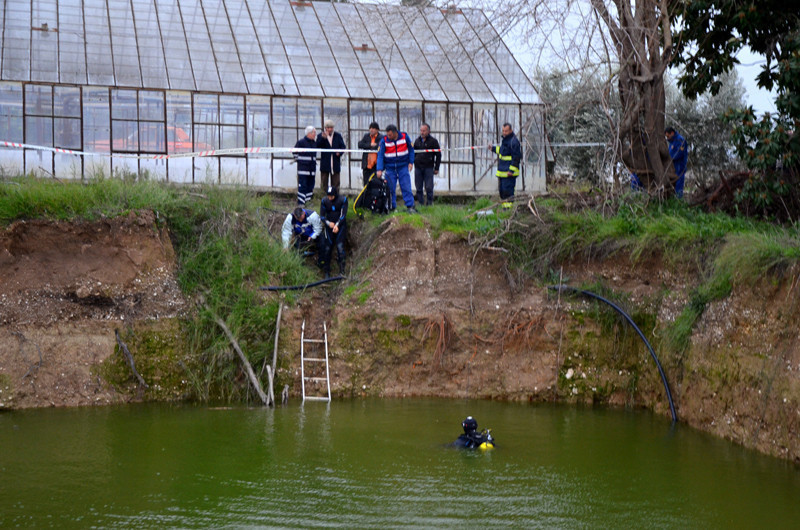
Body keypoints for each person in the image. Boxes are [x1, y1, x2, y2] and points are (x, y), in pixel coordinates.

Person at [377, 124, 417, 213]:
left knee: (406, 186)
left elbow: (411, 149)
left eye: (390, 135)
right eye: (387, 134)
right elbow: (380, 155)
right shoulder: (384, 141)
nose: (388, 136)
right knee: (390, 189)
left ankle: (410, 206)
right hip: (390, 168)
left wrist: (411, 162)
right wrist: (379, 169)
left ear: (395, 133)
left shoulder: (404, 136)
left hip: (403, 167)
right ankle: (391, 207)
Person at [489, 123, 522, 206]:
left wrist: (511, 170)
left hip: (509, 173)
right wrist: (492, 148)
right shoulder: (506, 140)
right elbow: (503, 151)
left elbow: (516, 157)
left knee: (508, 193)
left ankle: (508, 210)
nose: (504, 133)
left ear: (511, 130)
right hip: (502, 172)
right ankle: (505, 209)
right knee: (502, 192)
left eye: (506, 131)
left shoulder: (514, 142)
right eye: (503, 131)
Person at [319, 186, 348, 278]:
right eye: (328, 196)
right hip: (329, 227)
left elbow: (343, 215)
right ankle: (326, 271)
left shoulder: (342, 200)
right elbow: (322, 216)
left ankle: (342, 270)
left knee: (340, 247)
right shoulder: (324, 201)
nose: (329, 198)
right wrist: (328, 223)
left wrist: (337, 225)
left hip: (340, 226)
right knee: (327, 248)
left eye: (331, 196)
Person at [412, 123, 441, 206]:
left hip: (428, 167)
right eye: (421, 130)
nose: (422, 132)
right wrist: (413, 162)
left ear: (429, 131)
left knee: (429, 187)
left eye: (424, 131)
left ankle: (429, 203)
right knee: (418, 187)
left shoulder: (433, 141)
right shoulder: (417, 141)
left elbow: (438, 155)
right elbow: (414, 153)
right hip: (418, 167)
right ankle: (421, 203)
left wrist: (436, 168)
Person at [317, 120, 346, 191]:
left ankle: (335, 198)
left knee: (336, 183)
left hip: (335, 162)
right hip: (325, 163)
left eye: (331, 127)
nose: (330, 129)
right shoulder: (320, 136)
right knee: (324, 182)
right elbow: (317, 146)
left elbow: (343, 147)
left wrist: (340, 153)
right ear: (325, 128)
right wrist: (323, 139)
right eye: (328, 127)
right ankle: (324, 198)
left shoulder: (337, 136)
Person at [293, 126, 317, 205]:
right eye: (314, 132)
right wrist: (300, 161)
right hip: (303, 170)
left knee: (310, 186)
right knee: (303, 186)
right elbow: (294, 152)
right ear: (309, 133)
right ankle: (301, 202)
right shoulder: (301, 142)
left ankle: (308, 201)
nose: (315, 134)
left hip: (312, 170)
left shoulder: (314, 143)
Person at [357, 122, 383, 187]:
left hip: (376, 165)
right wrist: (369, 145)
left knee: (376, 183)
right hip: (366, 164)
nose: (371, 130)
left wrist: (373, 146)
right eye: (370, 128)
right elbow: (360, 144)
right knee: (366, 184)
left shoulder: (381, 137)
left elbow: (379, 146)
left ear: (377, 130)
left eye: (373, 128)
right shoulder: (366, 136)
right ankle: (366, 196)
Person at [665, 126, 688, 198]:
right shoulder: (672, 141)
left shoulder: (680, 140)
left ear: (672, 133)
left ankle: (679, 199)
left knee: (679, 182)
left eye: (668, 136)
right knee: (674, 182)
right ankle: (674, 198)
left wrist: (670, 158)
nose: (667, 138)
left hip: (679, 165)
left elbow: (679, 153)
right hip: (673, 165)